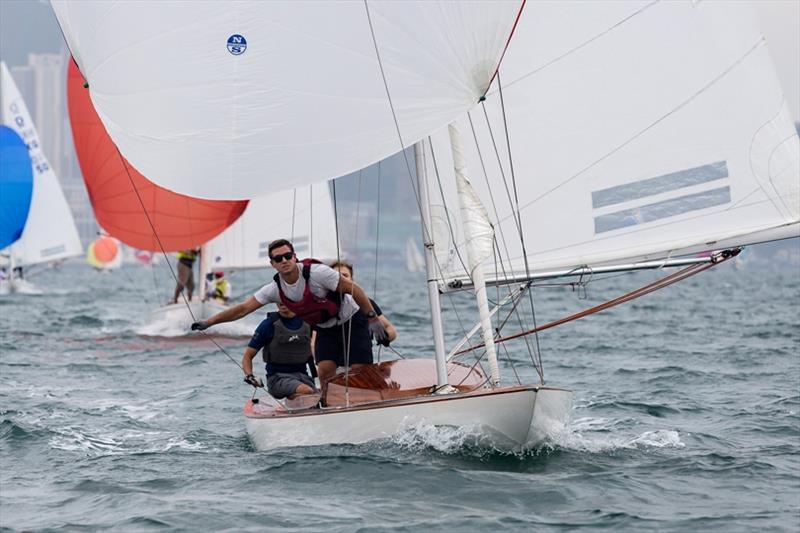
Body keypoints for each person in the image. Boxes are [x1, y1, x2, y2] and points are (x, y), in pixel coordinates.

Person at [191, 238, 388, 385]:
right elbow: (243, 309)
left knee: (359, 369)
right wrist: (209, 323)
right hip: (326, 328)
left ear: (294, 257)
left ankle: (365, 398)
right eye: (278, 258)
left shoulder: (319, 274)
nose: (284, 260)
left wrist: (372, 318)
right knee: (325, 370)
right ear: (273, 264)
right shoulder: (274, 289)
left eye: (288, 256)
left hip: (352, 319)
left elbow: (355, 289)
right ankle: (329, 406)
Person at [241, 303, 317, 399]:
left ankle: (298, 400)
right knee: (306, 391)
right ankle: (297, 400)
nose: (281, 302)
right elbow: (247, 356)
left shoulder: (308, 321)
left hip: (303, 377)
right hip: (277, 379)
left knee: (325, 395)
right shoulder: (268, 325)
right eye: (278, 299)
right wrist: (250, 376)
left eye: (285, 299)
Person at [328, 260, 397, 344]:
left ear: (352, 280)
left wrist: (385, 337)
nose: (341, 278)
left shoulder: (366, 303)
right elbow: (314, 338)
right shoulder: (320, 305)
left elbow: (390, 328)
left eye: (345, 275)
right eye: (337, 275)